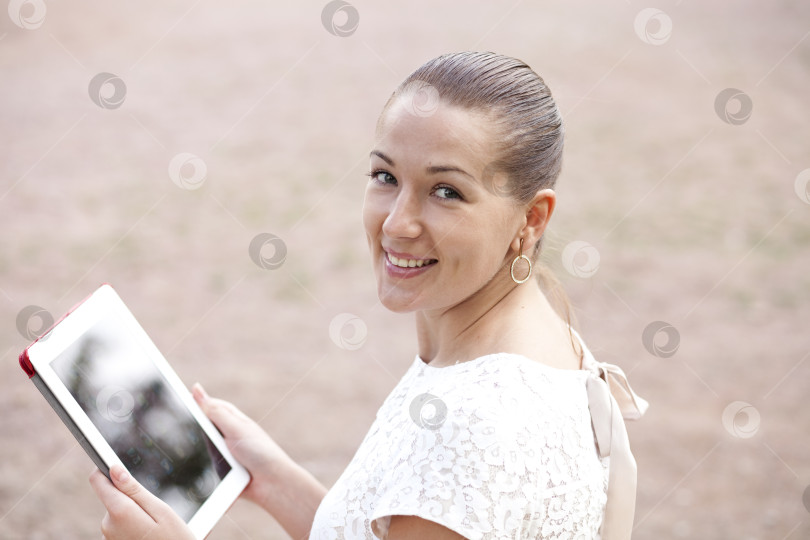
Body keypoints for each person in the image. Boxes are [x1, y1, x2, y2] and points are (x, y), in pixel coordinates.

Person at [90, 51, 647, 540]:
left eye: (446, 191)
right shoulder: (534, 340)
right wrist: (274, 478)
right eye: (385, 177)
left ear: (531, 218)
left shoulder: (468, 425)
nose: (397, 224)